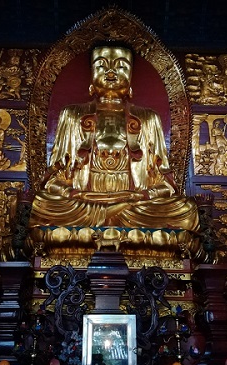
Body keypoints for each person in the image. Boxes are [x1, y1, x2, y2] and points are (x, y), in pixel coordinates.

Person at [29, 45, 199, 231]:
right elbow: (54, 177)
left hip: (134, 205)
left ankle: (107, 223)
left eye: (121, 66)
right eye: (102, 65)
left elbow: (164, 183)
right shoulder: (72, 115)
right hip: (83, 203)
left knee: (186, 210)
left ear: (131, 77)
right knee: (41, 205)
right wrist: (75, 193)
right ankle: (116, 225)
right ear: (92, 75)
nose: (111, 72)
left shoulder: (149, 118)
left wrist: (141, 197)